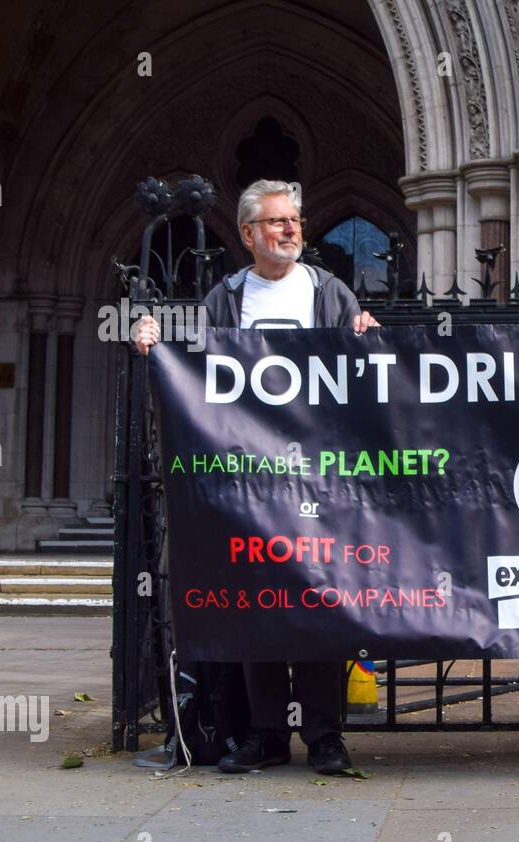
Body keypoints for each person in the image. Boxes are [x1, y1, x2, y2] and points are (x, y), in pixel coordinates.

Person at [135, 178, 377, 775]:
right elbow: (196, 362)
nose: (291, 230)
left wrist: (371, 339)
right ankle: (266, 735)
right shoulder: (226, 297)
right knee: (256, 602)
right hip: (252, 479)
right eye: (276, 222)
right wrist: (153, 338)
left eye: (294, 219)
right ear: (248, 234)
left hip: (319, 479)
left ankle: (324, 735)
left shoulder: (330, 292)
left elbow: (365, 377)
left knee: (321, 603)